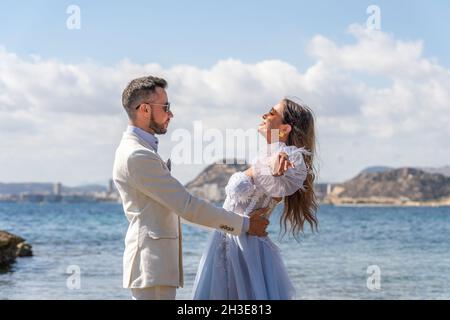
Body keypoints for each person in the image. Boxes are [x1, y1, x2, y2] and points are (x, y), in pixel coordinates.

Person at [112, 76, 270, 300]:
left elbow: (178, 209)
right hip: (151, 268)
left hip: (154, 268)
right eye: (166, 106)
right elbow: (186, 206)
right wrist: (244, 225)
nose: (171, 113)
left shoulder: (139, 150)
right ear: (145, 109)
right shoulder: (138, 154)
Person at [192, 98, 319, 300]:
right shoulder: (268, 155)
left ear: (285, 129)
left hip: (245, 249)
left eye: (271, 113)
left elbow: (285, 170)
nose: (264, 115)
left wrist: (276, 165)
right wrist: (271, 162)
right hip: (228, 243)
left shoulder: (289, 157)